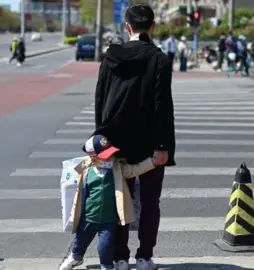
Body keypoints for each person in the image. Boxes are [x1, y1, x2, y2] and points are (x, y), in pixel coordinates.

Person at [93, 3, 176, 270]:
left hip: (116, 143)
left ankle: (119, 259)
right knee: (150, 203)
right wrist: (164, 146)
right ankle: (144, 257)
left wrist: (102, 141)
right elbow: (162, 105)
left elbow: (101, 100)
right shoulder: (159, 59)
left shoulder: (110, 57)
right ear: (152, 27)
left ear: (127, 27)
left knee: (119, 202)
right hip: (150, 144)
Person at [59, 135, 159, 270]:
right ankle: (76, 257)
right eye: (105, 155)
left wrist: (152, 162)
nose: (110, 157)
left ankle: (106, 266)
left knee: (105, 247)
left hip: (109, 221)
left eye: (111, 154)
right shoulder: (86, 169)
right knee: (80, 241)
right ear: (93, 157)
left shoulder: (117, 168)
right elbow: (73, 185)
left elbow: (135, 169)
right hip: (88, 218)